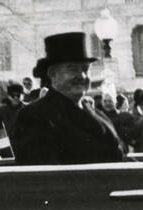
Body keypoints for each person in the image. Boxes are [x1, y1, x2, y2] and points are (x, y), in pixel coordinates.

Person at [11, 33, 125, 165]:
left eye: (85, 69)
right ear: (53, 74)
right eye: (72, 69)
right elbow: (43, 176)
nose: (81, 76)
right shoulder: (34, 116)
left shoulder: (97, 114)